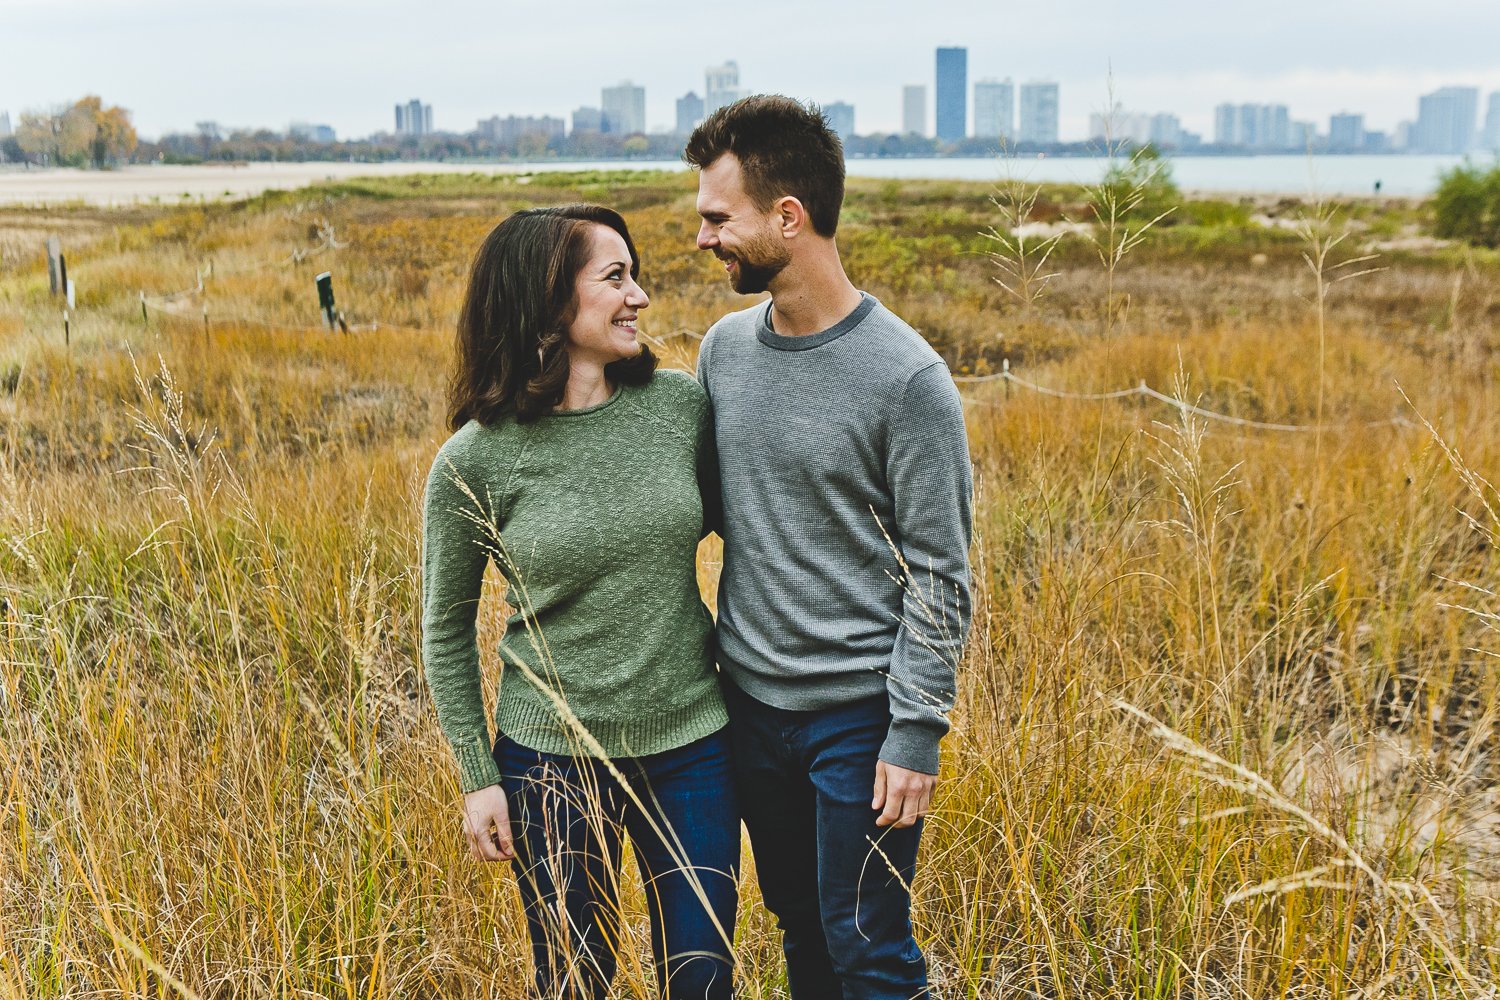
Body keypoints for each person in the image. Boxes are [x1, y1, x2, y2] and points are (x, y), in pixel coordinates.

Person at [687, 96, 974, 1000]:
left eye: (716, 217)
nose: (703, 240)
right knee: (801, 933)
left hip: (859, 718)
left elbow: (941, 572)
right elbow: (698, 510)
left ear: (788, 217)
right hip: (750, 708)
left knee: (870, 952)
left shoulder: (910, 380)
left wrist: (914, 733)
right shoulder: (723, 352)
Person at [420, 205, 737, 1000]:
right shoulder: (474, 461)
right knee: (572, 983)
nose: (640, 297)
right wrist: (476, 774)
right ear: (548, 301)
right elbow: (446, 627)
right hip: (550, 766)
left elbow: (749, 537)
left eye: (636, 275)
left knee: (702, 980)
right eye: (615, 277)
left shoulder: (679, 408)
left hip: (693, 747)